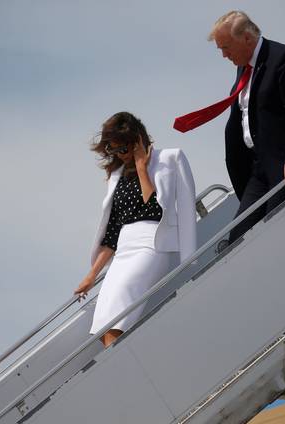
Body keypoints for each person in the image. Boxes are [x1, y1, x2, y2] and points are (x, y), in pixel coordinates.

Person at [175, 10, 285, 243]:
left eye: (226, 47)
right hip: (260, 169)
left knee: (273, 232)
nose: (223, 55)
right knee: (238, 239)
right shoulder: (244, 66)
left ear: (247, 38)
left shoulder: (284, 58)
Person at [74, 112, 197, 347]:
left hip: (152, 245)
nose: (121, 156)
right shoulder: (117, 175)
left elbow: (156, 207)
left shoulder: (170, 159)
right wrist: (91, 276)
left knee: (117, 319)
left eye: (124, 149)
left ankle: (119, 371)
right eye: (114, 151)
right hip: (123, 250)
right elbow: (112, 231)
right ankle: (121, 368)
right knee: (103, 324)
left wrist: (142, 167)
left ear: (137, 141)